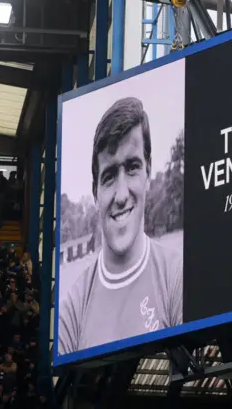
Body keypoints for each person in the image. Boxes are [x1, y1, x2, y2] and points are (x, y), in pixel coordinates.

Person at [58, 97, 183, 355]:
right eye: (109, 176)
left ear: (148, 172)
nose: (122, 194)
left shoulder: (177, 277)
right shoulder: (73, 309)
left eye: (133, 167)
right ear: (95, 194)